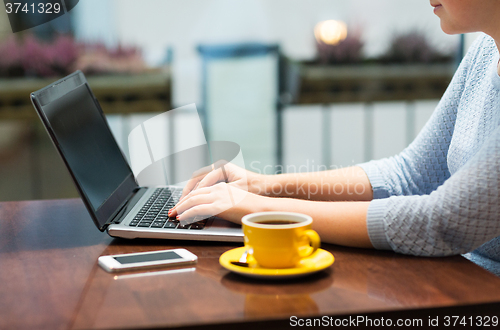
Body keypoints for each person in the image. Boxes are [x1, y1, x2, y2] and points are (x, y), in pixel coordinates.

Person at [170, 0, 500, 276]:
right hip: (464, 280)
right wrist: (263, 185)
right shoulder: (485, 51)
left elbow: (441, 222)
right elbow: (411, 175)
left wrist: (259, 209)